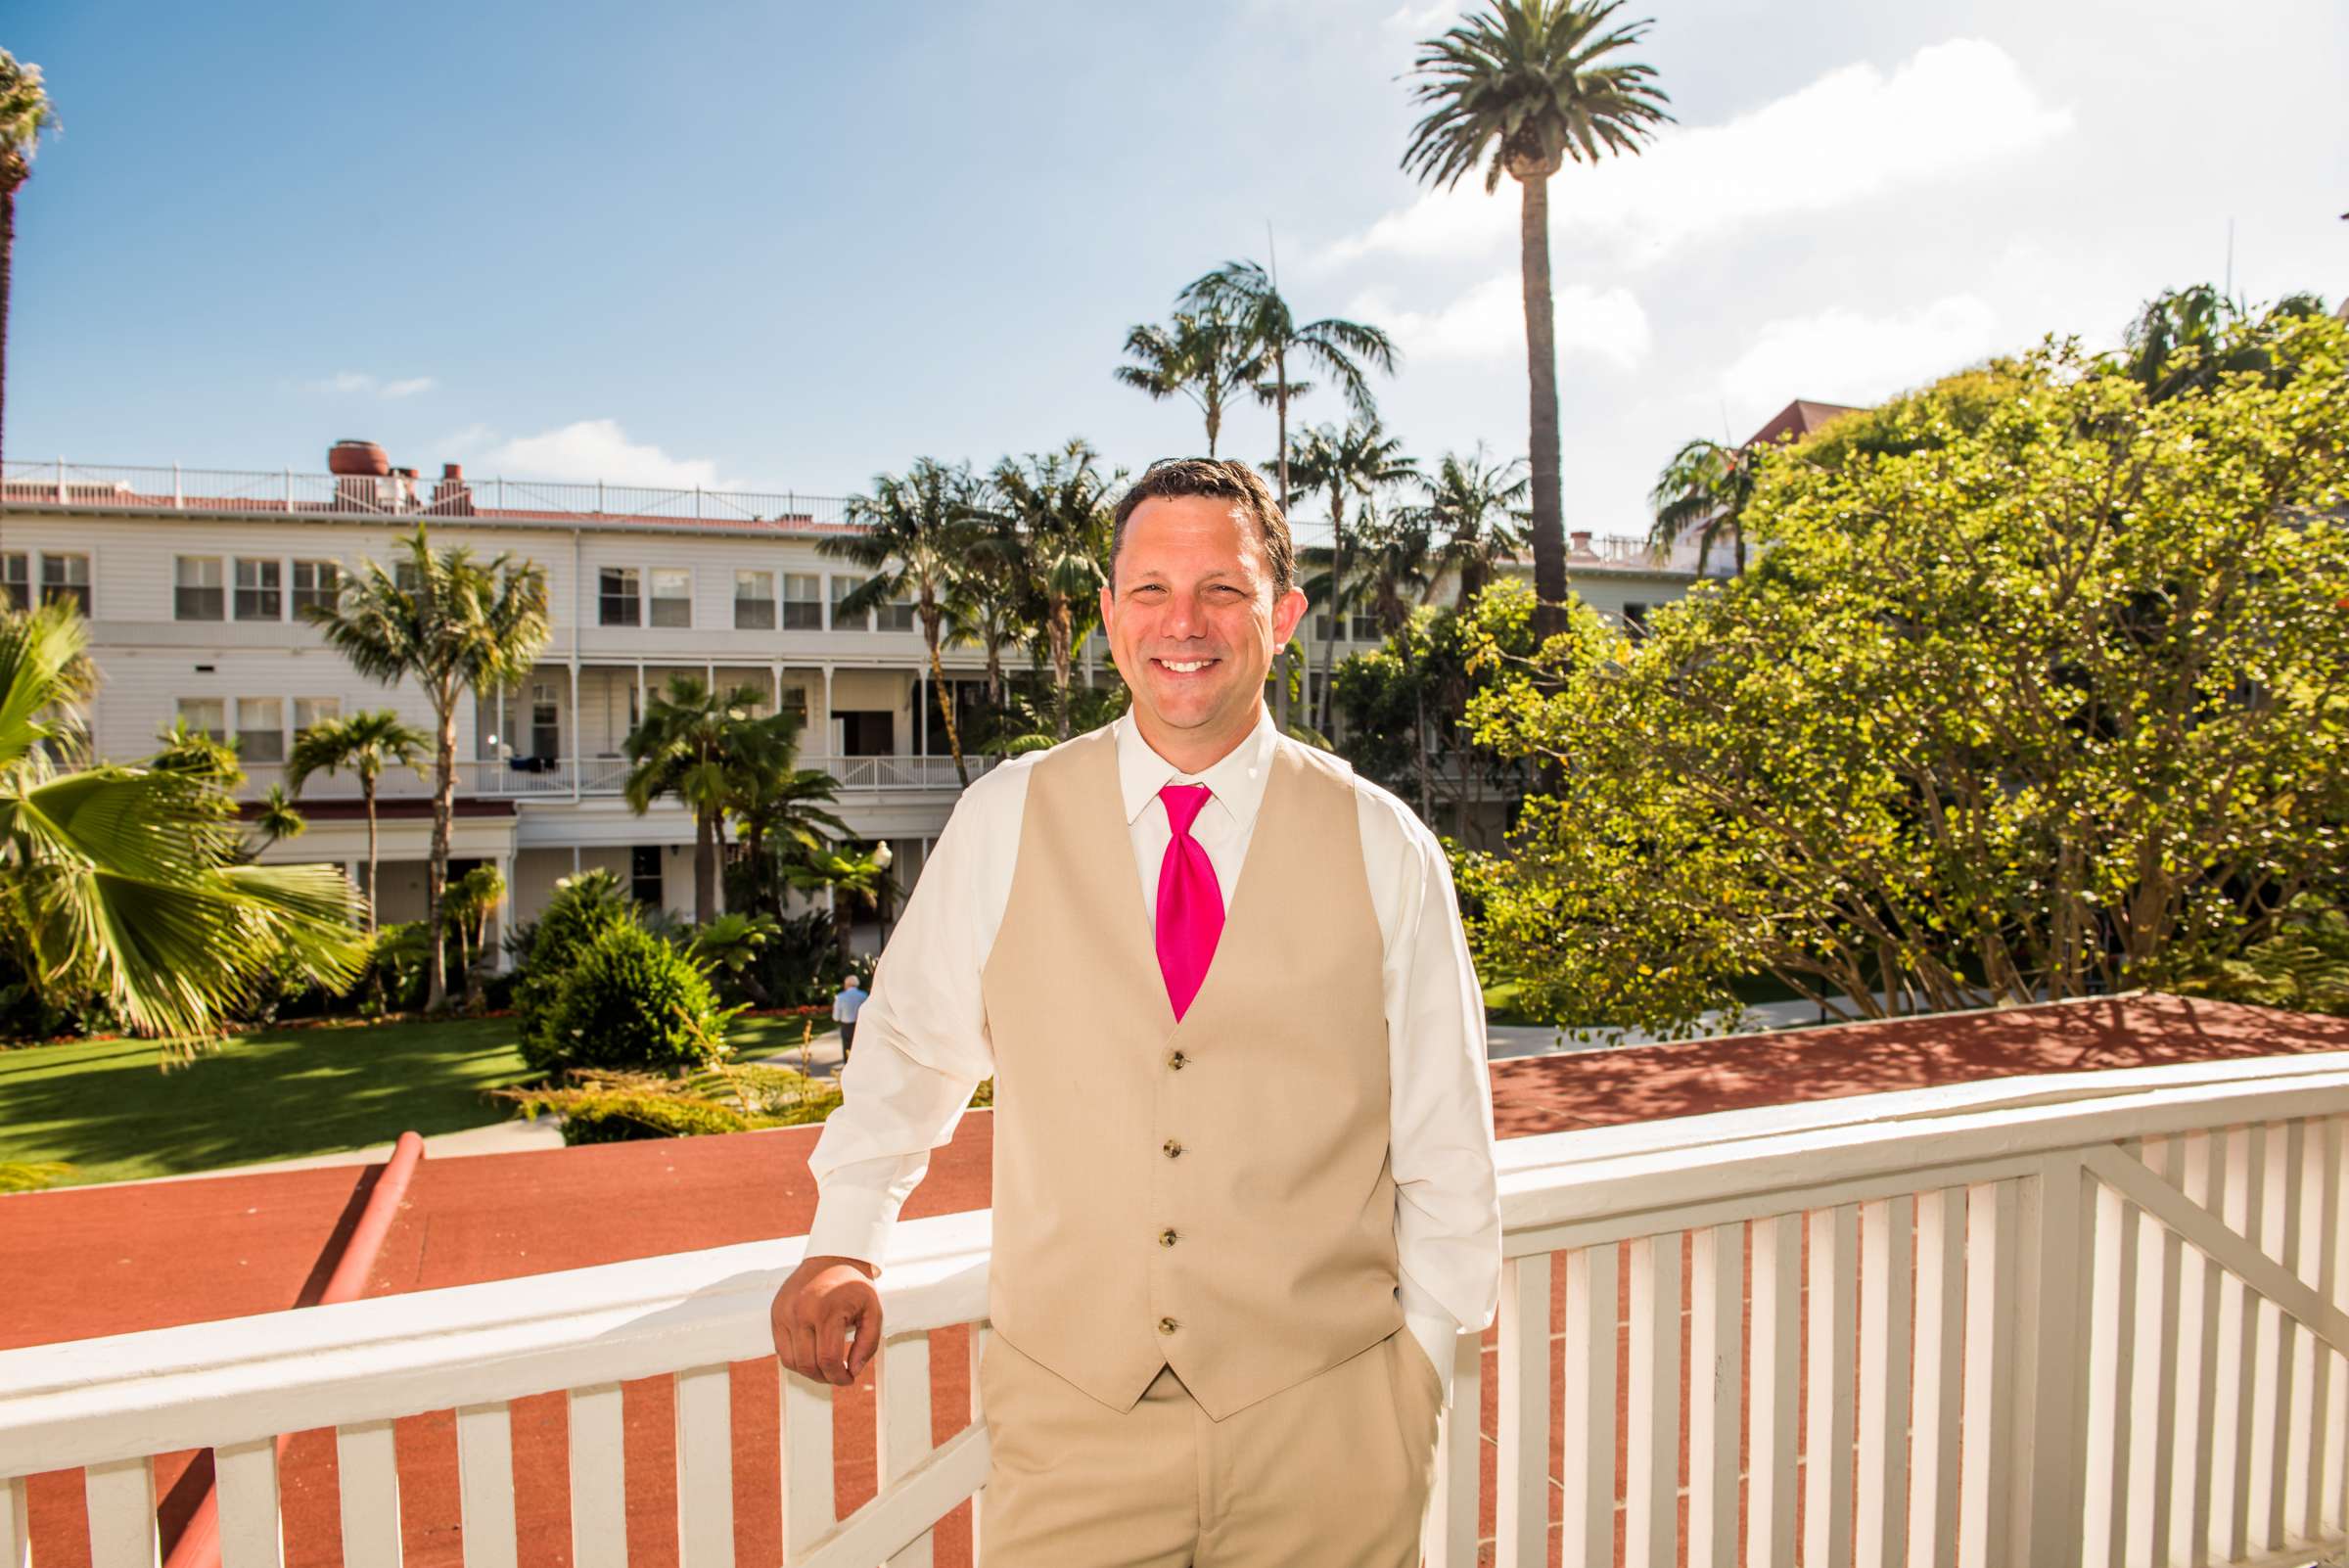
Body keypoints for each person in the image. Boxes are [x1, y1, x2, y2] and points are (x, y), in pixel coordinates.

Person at [768, 457, 1500, 1565]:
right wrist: (844, 1242)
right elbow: (910, 1049)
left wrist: (1418, 1384)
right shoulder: (1005, 818)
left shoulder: (1382, 843)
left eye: (1223, 588)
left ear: (1283, 615)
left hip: (1333, 1434)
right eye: (1150, 588)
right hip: (1072, 1434)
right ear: (1109, 616)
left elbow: (1447, 1138)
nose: (1184, 622)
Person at [831, 972, 867, 1062]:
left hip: (846, 1027)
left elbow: (836, 1017)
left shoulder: (840, 997)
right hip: (860, 1026)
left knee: (847, 1050)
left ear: (846, 984)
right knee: (860, 1048)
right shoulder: (864, 995)